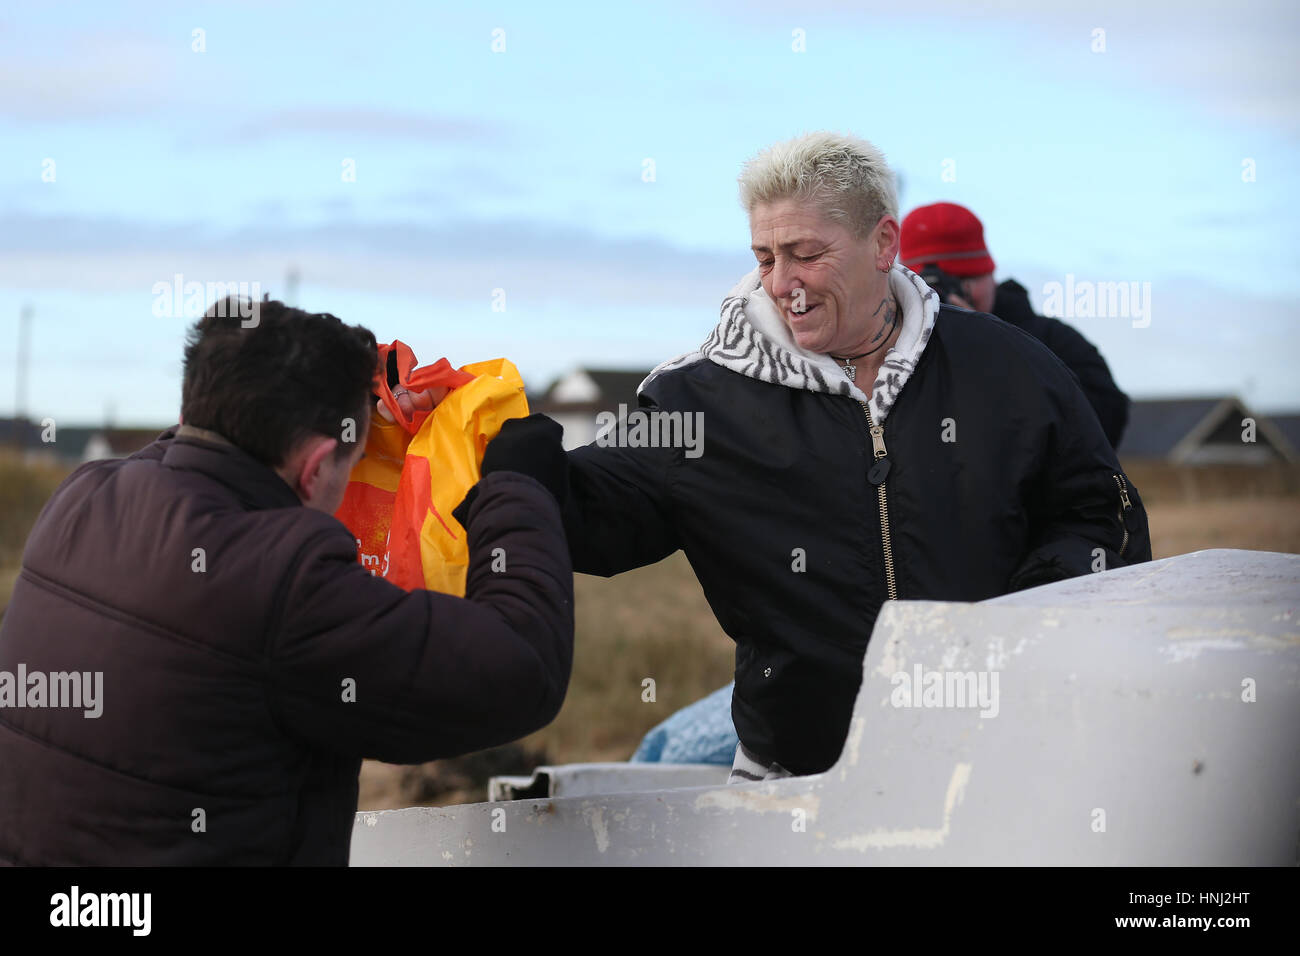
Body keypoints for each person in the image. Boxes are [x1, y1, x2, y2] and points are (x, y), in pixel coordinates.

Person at [446, 131, 1152, 785]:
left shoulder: (1007, 366)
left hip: (1003, 761)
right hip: (795, 788)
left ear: (883, 244)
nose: (783, 282)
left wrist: (1012, 625)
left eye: (807, 254)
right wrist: (493, 452)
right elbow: (593, 508)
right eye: (764, 257)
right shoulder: (701, 400)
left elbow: (1096, 512)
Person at [0, 298, 574, 865]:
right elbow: (523, 668)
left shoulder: (82, 496)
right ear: (317, 466)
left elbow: (197, 438)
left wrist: (334, 381)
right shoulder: (285, 584)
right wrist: (516, 483)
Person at [899, 201, 1130, 447]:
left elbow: (1106, 423)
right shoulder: (888, 350)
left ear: (991, 275)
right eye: (931, 288)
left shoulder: (1050, 342)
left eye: (965, 279)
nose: (947, 296)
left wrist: (992, 345)